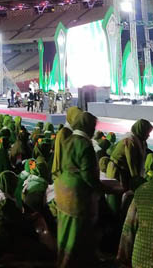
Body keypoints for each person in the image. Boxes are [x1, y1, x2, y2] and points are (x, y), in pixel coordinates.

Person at [53, 109, 102, 267]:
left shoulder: (69, 139)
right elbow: (88, 175)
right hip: (76, 194)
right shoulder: (85, 145)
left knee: (65, 229)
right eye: (93, 127)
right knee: (77, 233)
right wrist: (101, 188)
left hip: (62, 189)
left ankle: (62, 260)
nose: (94, 130)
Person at [106, 118, 153, 214]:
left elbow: (145, 154)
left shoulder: (141, 141)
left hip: (125, 171)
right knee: (117, 199)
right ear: (141, 130)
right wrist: (137, 180)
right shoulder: (129, 141)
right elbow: (131, 162)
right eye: (147, 132)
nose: (148, 135)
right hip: (118, 172)